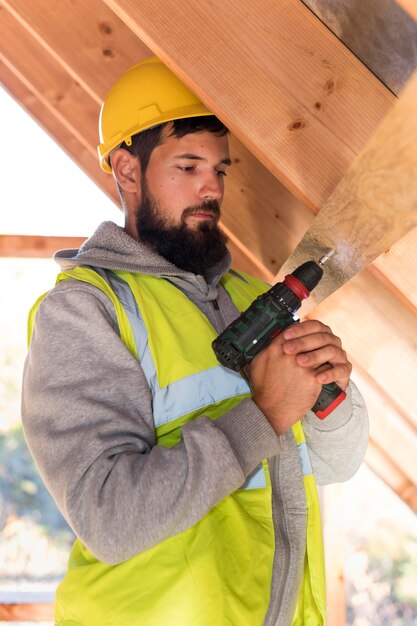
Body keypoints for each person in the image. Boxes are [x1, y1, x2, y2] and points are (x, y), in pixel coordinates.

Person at [22, 56, 368, 626]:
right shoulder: (88, 311)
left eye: (220, 169)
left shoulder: (252, 294)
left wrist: (332, 399)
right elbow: (111, 519)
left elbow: (330, 466)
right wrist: (266, 411)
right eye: (187, 165)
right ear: (126, 170)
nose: (212, 187)